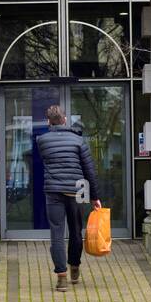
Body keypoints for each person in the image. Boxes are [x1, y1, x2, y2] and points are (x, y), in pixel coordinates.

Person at [36, 104, 102, 292]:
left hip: (53, 190)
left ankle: (61, 277)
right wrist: (94, 197)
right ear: (65, 119)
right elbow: (90, 170)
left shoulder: (42, 140)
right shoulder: (78, 140)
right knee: (76, 230)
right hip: (79, 189)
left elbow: (47, 161)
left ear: (48, 121)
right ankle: (74, 266)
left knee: (56, 234)